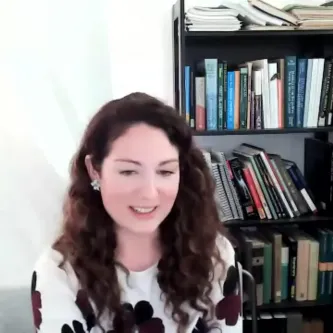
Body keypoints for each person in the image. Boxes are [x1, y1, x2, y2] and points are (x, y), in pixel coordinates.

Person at [30, 92, 242, 333]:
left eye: (165, 172)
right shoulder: (58, 272)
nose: (150, 194)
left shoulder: (215, 253)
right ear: (94, 170)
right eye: (129, 172)